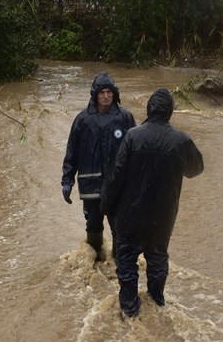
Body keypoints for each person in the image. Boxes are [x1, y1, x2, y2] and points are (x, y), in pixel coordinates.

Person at [101, 87, 204, 318]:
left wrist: (107, 205)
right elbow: (196, 169)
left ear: (149, 109)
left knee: (126, 260)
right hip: (162, 216)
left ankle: (129, 307)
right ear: (170, 112)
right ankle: (157, 302)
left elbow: (116, 175)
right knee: (157, 258)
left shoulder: (132, 136)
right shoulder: (181, 141)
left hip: (130, 214)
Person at [61, 71, 136, 261]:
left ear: (114, 93)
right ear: (95, 94)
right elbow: (72, 152)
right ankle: (95, 262)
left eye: (109, 92)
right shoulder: (82, 120)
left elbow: (136, 152)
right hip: (91, 187)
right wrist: (67, 180)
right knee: (93, 225)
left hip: (117, 187)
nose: (106, 96)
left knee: (119, 227)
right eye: (102, 92)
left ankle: (120, 264)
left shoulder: (125, 118)